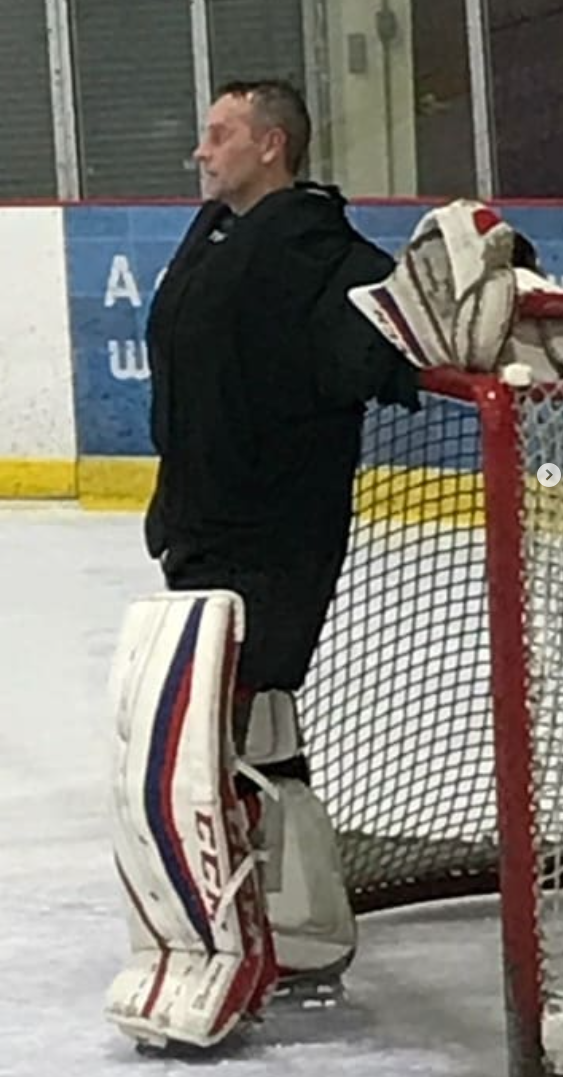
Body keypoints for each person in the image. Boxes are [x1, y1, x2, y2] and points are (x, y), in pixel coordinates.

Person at [105, 79, 419, 1054]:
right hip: (202, 531)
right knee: (249, 732)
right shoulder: (216, 233)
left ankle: (261, 935)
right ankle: (300, 926)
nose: (200, 151)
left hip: (273, 541)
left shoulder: (317, 247)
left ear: (271, 145)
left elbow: (382, 330)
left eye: (218, 135)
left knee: (231, 737)